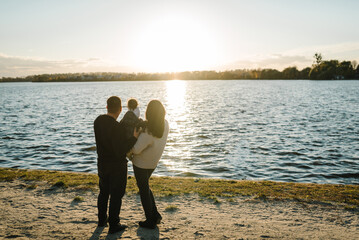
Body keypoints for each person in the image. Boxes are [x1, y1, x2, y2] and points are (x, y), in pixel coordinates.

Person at [94, 96, 139, 234]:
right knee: (116, 195)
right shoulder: (117, 127)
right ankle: (114, 224)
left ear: (107, 107)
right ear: (120, 109)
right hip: (117, 166)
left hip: (102, 163)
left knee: (103, 192)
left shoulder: (98, 121)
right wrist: (134, 138)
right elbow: (121, 149)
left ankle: (102, 220)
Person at [131, 100, 169, 229]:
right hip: (153, 163)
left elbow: (136, 149)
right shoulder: (165, 124)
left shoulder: (148, 131)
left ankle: (150, 220)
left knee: (143, 190)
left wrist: (135, 136)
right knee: (145, 187)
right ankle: (156, 215)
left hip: (141, 164)